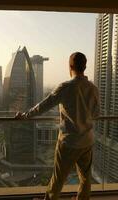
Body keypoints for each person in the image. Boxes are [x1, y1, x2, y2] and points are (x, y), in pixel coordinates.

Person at [15, 52, 99, 200]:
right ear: (85, 67)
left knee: (59, 177)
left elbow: (43, 106)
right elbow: (96, 114)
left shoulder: (65, 87)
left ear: (70, 66)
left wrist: (25, 115)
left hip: (69, 142)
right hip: (87, 141)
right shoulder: (93, 88)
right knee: (86, 177)